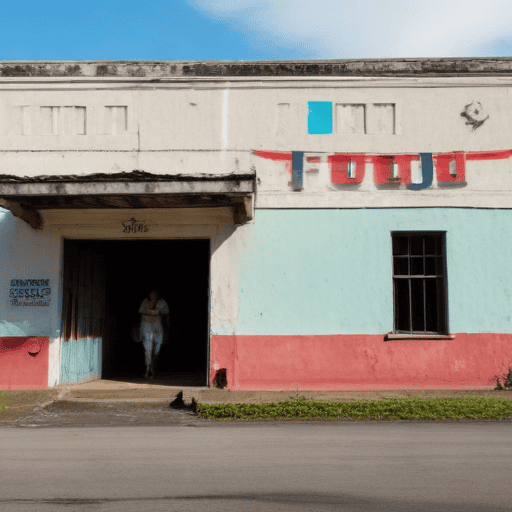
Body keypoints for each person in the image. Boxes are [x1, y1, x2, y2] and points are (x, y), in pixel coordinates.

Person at [138, 290, 170, 379]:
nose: (153, 295)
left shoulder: (162, 303)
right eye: (151, 294)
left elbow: (166, 315)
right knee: (147, 349)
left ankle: (152, 368)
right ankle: (148, 370)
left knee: (156, 350)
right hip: (146, 326)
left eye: (155, 294)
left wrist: (167, 329)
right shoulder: (145, 302)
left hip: (157, 327)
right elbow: (140, 312)